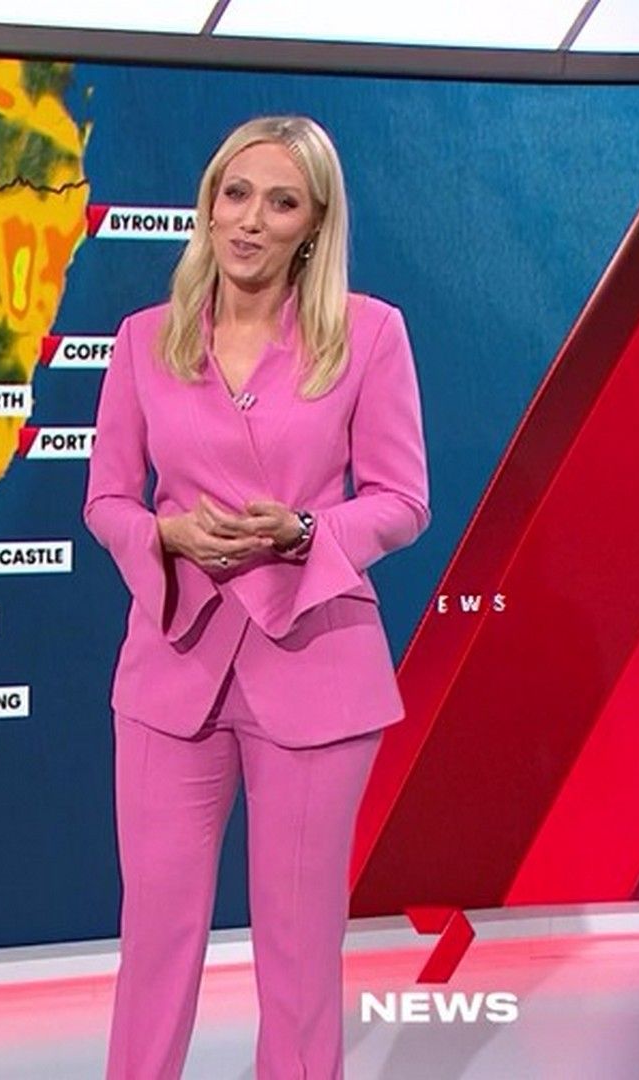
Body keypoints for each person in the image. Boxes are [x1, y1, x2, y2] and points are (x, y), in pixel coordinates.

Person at [83, 115, 430, 1079]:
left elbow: (402, 500)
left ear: (313, 224)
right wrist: (167, 535)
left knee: (299, 949)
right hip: (173, 668)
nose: (249, 220)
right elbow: (107, 499)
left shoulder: (368, 334)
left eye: (280, 202)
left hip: (314, 667)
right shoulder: (145, 340)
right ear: (208, 205)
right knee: (155, 939)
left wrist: (309, 530)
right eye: (235, 194)